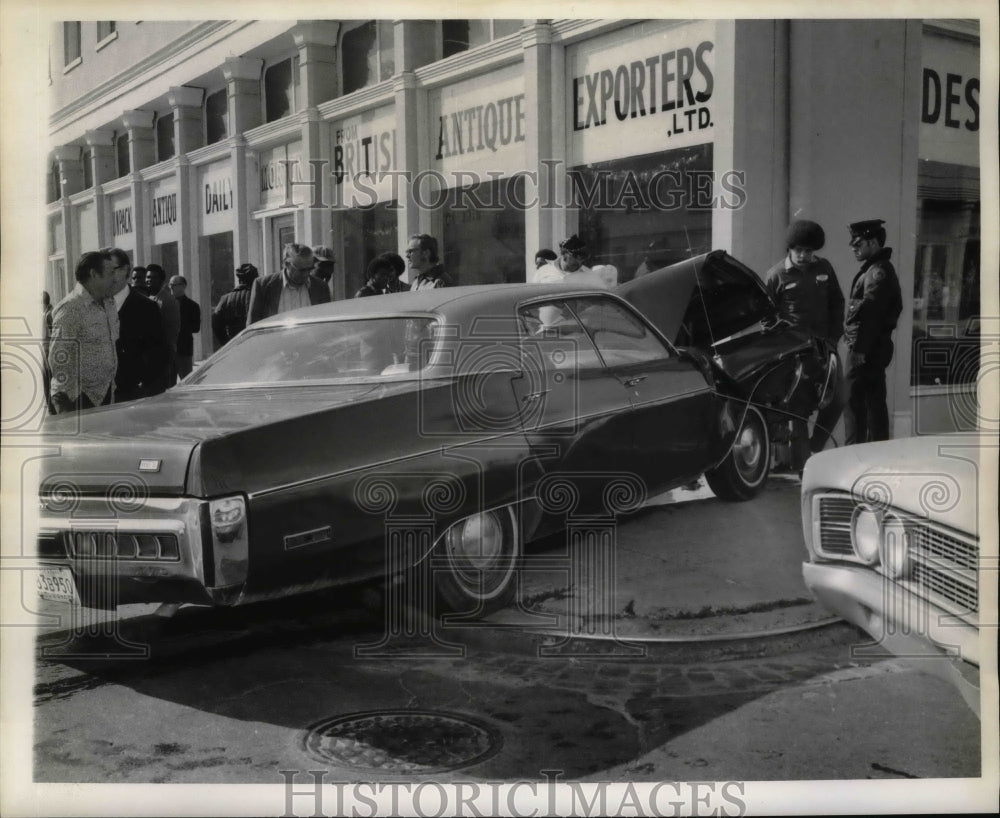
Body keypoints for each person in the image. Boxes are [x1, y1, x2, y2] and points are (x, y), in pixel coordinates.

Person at [764, 220, 846, 470]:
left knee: (838, 398)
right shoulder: (776, 275)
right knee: (798, 409)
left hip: (824, 347)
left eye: (808, 251)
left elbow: (837, 303)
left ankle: (813, 448)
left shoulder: (824, 268)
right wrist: (781, 342)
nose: (803, 256)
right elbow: (766, 318)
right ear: (790, 249)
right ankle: (803, 468)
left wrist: (833, 338)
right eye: (799, 250)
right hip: (794, 352)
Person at [48, 248, 129, 414]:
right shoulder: (70, 307)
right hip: (77, 400)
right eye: (110, 273)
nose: (115, 279)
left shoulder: (109, 303)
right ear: (94, 274)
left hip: (105, 394)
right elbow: (58, 358)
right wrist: (74, 399)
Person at [843, 219, 902, 444]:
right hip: (870, 347)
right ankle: (874, 451)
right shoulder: (875, 269)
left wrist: (859, 350)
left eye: (858, 244)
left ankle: (854, 453)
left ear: (874, 243)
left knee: (854, 400)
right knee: (871, 399)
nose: (853, 248)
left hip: (866, 349)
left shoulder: (878, 273)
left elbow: (871, 315)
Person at [246, 243, 331, 325]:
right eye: (301, 270)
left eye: (309, 269)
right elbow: (253, 327)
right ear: (286, 264)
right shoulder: (263, 286)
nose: (306, 274)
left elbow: (326, 325)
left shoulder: (321, 287)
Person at [115, 266, 166, 402]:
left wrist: (148, 381)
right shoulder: (112, 301)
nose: (137, 281)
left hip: (141, 379)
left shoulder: (151, 304)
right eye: (135, 278)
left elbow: (159, 344)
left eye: (141, 278)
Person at [144, 263, 181, 394]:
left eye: (153, 278)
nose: (149, 280)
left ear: (161, 281)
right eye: (147, 277)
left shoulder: (167, 301)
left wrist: (168, 358)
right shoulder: (149, 298)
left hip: (164, 355)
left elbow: (172, 330)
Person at [533, 234, 608, 289]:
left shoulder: (591, 277)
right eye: (576, 257)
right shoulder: (543, 271)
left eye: (582, 259)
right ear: (564, 255)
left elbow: (602, 302)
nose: (580, 263)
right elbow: (531, 296)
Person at [212, 263, 258, 347]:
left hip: (235, 344)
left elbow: (216, 323)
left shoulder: (226, 299)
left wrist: (227, 343)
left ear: (239, 279)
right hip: (256, 343)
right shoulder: (259, 296)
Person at [169, 275, 201, 381]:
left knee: (186, 381)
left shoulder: (192, 306)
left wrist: (179, 325)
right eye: (170, 285)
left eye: (174, 285)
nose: (171, 287)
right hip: (168, 351)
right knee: (168, 385)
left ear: (183, 286)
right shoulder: (165, 304)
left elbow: (196, 327)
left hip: (184, 350)